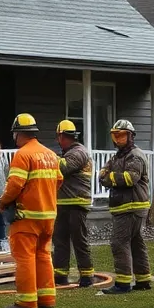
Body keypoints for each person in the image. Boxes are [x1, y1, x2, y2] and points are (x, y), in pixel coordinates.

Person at [0, 113, 62, 308]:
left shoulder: (22, 155)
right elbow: (59, 180)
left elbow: (15, 184)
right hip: (48, 217)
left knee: (25, 257)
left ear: (18, 134)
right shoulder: (50, 154)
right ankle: (47, 300)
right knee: (43, 255)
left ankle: (26, 302)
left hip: (27, 217)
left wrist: (3, 203)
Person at [99, 119, 152, 295]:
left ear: (131, 136)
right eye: (116, 136)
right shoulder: (117, 157)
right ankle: (143, 280)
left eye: (122, 136)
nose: (118, 140)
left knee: (118, 242)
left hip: (131, 207)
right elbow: (101, 176)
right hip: (128, 206)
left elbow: (130, 178)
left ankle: (123, 283)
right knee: (137, 243)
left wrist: (111, 177)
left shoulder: (135, 156)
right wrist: (110, 176)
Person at [52, 120, 96, 288]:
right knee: (60, 240)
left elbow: (64, 167)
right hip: (63, 203)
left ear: (63, 136)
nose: (58, 140)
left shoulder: (78, 152)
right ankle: (61, 275)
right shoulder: (69, 152)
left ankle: (86, 276)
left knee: (79, 240)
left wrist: (48, 156)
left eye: (58, 137)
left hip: (77, 204)